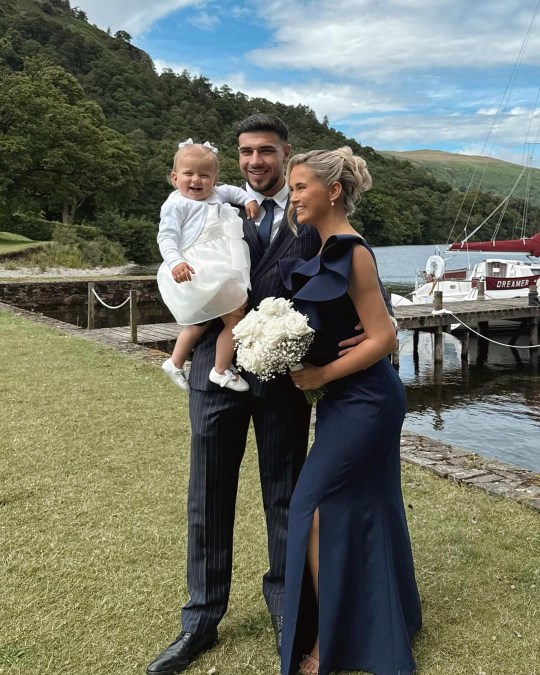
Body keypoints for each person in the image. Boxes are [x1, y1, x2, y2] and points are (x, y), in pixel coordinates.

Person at [146, 115, 391, 675]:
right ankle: (200, 622)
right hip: (217, 370)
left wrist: (369, 326)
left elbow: (356, 268)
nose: (255, 161)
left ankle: (288, 611)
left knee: (285, 496)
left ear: (285, 153)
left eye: (265, 151)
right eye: (245, 152)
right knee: (207, 497)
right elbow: (176, 264)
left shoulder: (311, 211)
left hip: (285, 377)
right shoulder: (207, 203)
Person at [279, 147, 422, 675]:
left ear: (332, 191)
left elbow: (383, 336)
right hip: (347, 401)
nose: (293, 197)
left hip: (367, 400)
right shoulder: (321, 247)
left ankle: (329, 642)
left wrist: (318, 376)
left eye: (300, 187)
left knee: (310, 508)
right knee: (368, 506)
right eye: (293, 188)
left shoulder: (350, 250)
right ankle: (388, 620)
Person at [157, 139, 258, 393]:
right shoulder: (176, 204)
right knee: (226, 317)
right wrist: (175, 261)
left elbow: (235, 192)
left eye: (205, 175)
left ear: (215, 179)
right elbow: (166, 237)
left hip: (220, 266)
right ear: (174, 177)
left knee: (218, 319)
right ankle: (219, 369)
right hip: (195, 269)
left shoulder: (217, 194)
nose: (196, 181)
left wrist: (248, 200)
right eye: (188, 174)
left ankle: (178, 362)